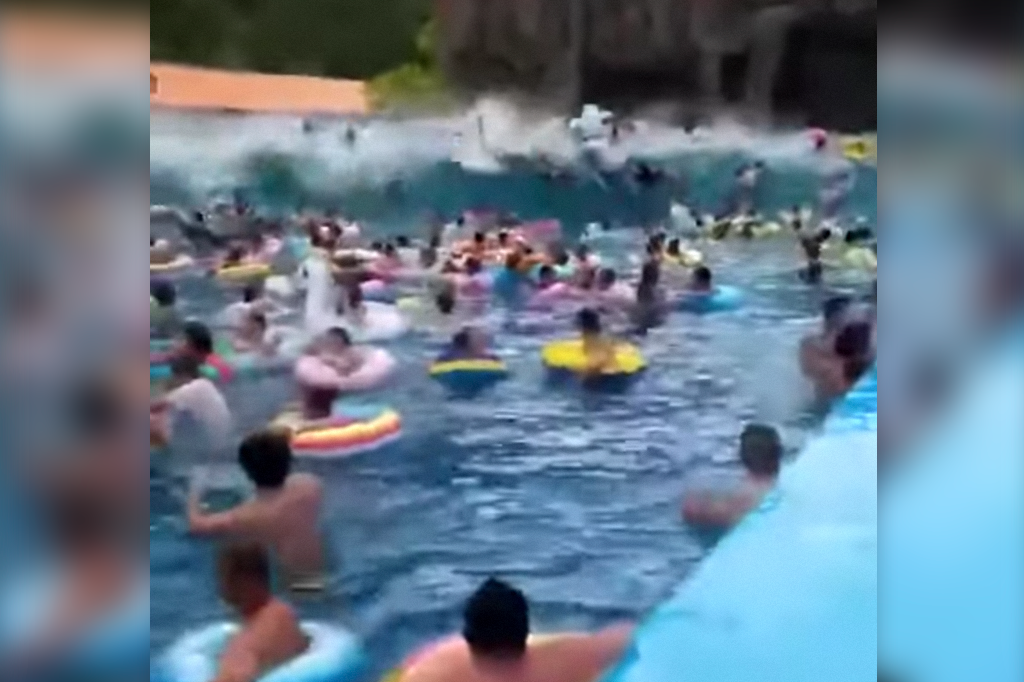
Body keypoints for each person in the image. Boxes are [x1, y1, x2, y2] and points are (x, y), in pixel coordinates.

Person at [402, 578, 633, 682]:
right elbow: (630, 635)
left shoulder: (435, 669)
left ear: (469, 637)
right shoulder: (570, 656)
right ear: (525, 631)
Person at [189, 431, 327, 593]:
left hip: (290, 586)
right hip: (321, 575)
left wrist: (195, 489)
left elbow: (196, 526)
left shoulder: (247, 517)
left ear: (246, 471)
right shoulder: (310, 487)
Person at [209, 543, 310, 682]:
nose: (222, 588)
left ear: (243, 581)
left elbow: (238, 676)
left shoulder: (247, 644)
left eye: (224, 577)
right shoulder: (285, 614)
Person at [682, 424, 784, 528]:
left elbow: (690, 512)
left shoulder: (744, 497)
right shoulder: (776, 487)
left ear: (741, 456)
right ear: (778, 455)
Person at [151, 354, 234, 453]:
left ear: (181, 375)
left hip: (210, 447)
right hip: (220, 442)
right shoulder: (206, 385)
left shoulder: (194, 388)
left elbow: (155, 405)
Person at [576, 308, 616, 376]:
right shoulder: (603, 336)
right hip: (609, 368)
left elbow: (598, 359)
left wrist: (584, 372)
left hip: (599, 370)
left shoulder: (590, 338)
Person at [632, 260, 667, 334]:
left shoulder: (642, 287)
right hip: (654, 319)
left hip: (642, 318)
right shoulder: (657, 290)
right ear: (657, 275)